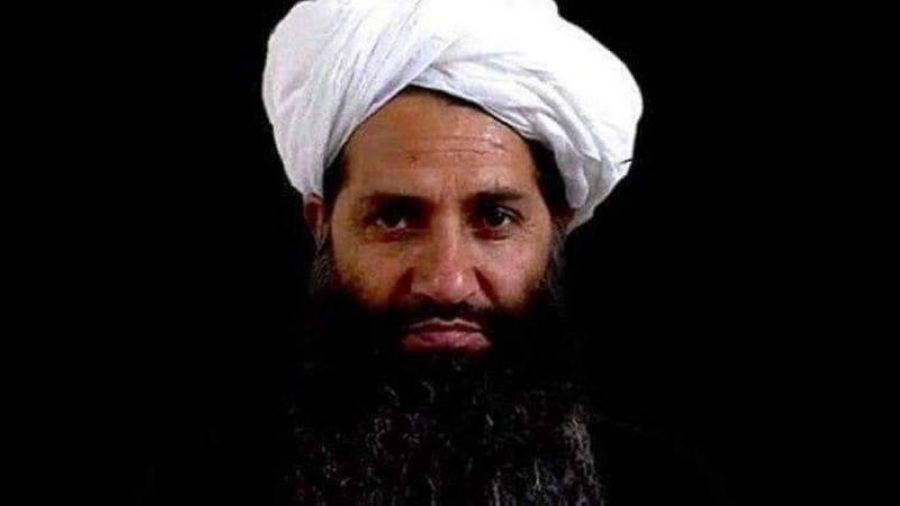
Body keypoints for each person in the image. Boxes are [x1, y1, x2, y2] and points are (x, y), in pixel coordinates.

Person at [260, 1, 710, 504]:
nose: (448, 282)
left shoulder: (671, 486)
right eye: (394, 219)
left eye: (495, 218)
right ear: (321, 225)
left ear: (557, 224)